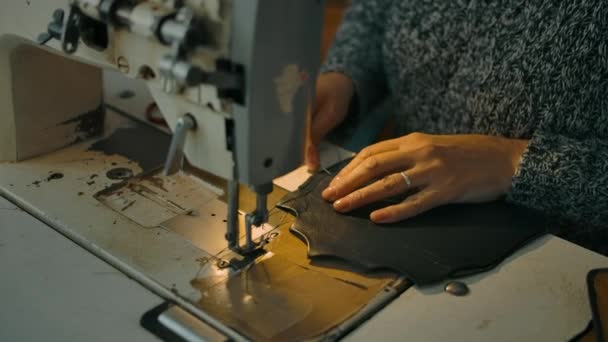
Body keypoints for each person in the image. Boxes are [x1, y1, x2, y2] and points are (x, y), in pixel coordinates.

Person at [305, 1, 608, 253]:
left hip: (566, 257)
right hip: (406, 226)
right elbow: (375, 14)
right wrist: (345, 76)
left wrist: (513, 161)